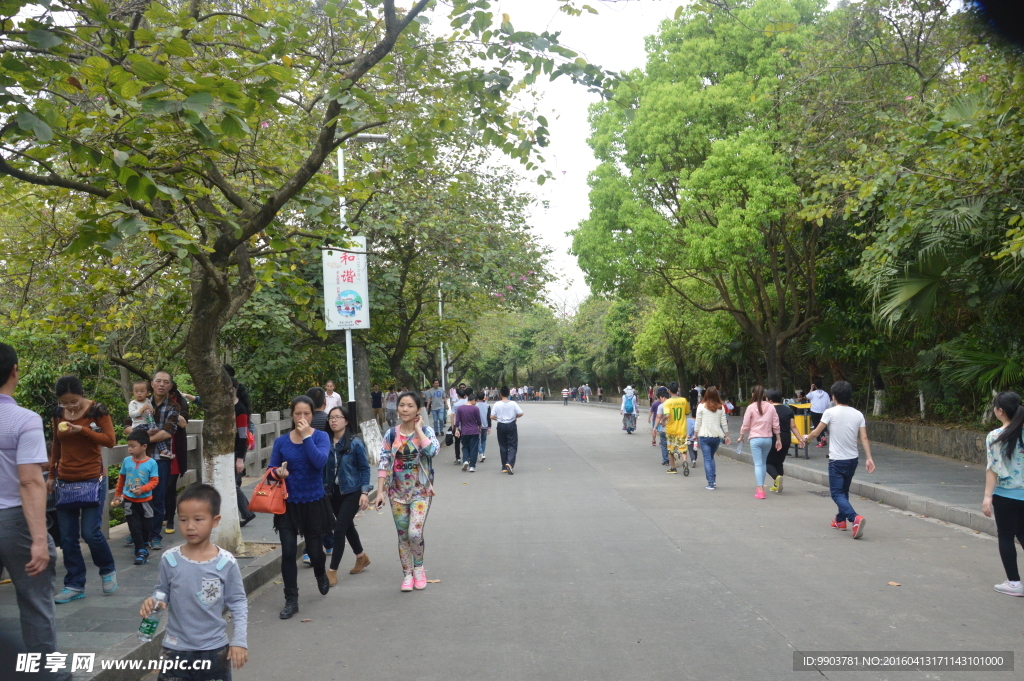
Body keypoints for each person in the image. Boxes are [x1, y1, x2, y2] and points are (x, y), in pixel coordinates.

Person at [0, 344, 69, 680]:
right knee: (34, 601)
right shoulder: (23, 419)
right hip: (14, 520)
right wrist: (41, 540)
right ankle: (48, 676)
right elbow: (30, 482)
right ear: (15, 371)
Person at [140, 484, 248, 681]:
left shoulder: (225, 563)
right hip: (175, 650)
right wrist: (154, 601)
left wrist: (239, 641)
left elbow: (238, 602)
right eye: (183, 520)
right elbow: (162, 591)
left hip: (215, 652)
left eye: (198, 519)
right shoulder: (170, 559)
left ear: (215, 521)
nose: (190, 526)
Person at [49, 375, 118, 603]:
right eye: (65, 403)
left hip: (92, 478)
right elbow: (56, 444)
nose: (70, 406)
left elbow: (110, 440)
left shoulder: (97, 410)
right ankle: (74, 584)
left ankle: (107, 569)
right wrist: (51, 475)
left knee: (90, 532)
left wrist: (82, 430)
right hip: (65, 479)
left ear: (82, 394)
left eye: (74, 401)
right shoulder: (57, 413)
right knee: (67, 537)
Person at [267, 396, 334, 618]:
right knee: (288, 552)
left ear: (312, 416)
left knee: (315, 552)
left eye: (306, 413)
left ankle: (320, 573)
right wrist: (277, 473)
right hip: (287, 503)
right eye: (298, 413)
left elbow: (319, 462)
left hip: (313, 501)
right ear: (292, 415)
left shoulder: (321, 437)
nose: (302, 418)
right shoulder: (282, 441)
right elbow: (271, 469)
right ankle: (291, 600)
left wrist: (307, 437)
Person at [374, 391, 439, 591]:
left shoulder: (426, 432)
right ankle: (407, 575)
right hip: (397, 494)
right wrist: (379, 492)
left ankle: (419, 569)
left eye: (410, 406)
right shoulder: (391, 434)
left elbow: (433, 451)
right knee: (403, 536)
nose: (404, 409)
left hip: (421, 493)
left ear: (417, 409)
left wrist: (418, 430)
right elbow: (384, 462)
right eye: (402, 405)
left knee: (414, 533)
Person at [800, 381, 875, 538]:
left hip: (837, 460)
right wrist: (869, 458)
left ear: (833, 397)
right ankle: (840, 520)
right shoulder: (858, 414)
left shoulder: (830, 412)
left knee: (836, 493)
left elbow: (817, 433)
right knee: (843, 491)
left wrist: (806, 437)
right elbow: (864, 437)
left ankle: (854, 518)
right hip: (852, 460)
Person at [323, 406, 371, 587]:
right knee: (347, 525)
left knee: (339, 529)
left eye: (337, 417)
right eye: (331, 418)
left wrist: (365, 492)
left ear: (346, 420)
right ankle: (361, 557)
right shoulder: (324, 442)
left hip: (352, 491)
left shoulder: (355, 443)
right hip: (332, 492)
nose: (333, 420)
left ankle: (332, 570)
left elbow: (365, 469)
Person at [982, 391, 1024, 596]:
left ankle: (1014, 583)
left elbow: (993, 469)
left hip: (1006, 496)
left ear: (1000, 411)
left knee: (1006, 537)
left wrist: (987, 497)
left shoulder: (995, 436)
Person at [113, 430, 159, 566]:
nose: (130, 449)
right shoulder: (127, 461)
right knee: (134, 526)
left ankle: (144, 543)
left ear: (144, 446)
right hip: (129, 500)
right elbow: (121, 478)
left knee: (147, 526)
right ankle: (140, 550)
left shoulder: (151, 463)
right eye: (129, 446)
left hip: (146, 501)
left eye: (133, 446)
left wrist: (143, 489)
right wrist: (118, 494)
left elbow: (154, 481)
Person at [144, 371, 179, 547]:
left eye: (166, 382)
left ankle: (155, 534)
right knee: (139, 497)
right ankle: (141, 532)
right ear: (152, 383)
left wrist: (142, 440)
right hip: (139, 459)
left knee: (158, 498)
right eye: (158, 381)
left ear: (170, 386)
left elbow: (168, 431)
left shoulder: (173, 407)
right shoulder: (140, 403)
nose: (162, 384)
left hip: (161, 458)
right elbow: (128, 426)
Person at [738, 385, 781, 500]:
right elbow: (776, 424)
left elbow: (745, 424)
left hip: (755, 439)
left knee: (758, 464)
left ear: (753, 394)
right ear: (764, 395)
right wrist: (778, 439)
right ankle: (761, 487)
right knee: (763, 462)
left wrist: (741, 436)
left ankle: (760, 489)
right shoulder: (771, 407)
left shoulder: (751, 407)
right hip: (768, 439)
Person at [163, 383, 191, 536]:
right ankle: (163, 515)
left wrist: (173, 409)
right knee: (157, 485)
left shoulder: (180, 401)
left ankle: (170, 519)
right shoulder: (151, 401)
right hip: (157, 448)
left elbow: (183, 423)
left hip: (174, 448)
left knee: (170, 486)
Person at [694, 387, 731, 490]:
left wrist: (695, 434)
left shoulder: (701, 406)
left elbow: (698, 422)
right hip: (716, 436)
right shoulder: (721, 407)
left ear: (705, 395)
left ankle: (710, 483)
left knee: (707, 459)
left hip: (704, 435)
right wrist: (726, 436)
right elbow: (724, 423)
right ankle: (713, 480)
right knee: (711, 457)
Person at [232, 379, 256, 529]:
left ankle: (247, 512)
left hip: (236, 451)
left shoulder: (240, 408)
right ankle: (245, 512)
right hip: (227, 451)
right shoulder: (225, 407)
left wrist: (240, 458)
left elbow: (242, 435)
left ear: (234, 389)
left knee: (233, 485)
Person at [766, 389, 797, 493]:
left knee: (767, 462)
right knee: (779, 462)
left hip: (773, 438)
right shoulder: (788, 410)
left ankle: (776, 477)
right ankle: (777, 485)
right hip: (786, 438)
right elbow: (793, 426)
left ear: (769, 400)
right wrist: (800, 438)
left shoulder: (769, 410)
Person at [490, 386, 524, 475]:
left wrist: (499, 419)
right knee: (512, 445)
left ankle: (504, 466)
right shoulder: (513, 403)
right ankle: (510, 462)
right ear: (509, 394)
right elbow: (521, 413)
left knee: (503, 445)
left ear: (500, 394)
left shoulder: (497, 404)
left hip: (501, 425)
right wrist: (514, 417)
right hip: (511, 425)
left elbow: (492, 416)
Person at [660, 382, 690, 475]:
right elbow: (687, 412)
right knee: (683, 449)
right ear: (678, 389)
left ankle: (673, 468)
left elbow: (667, 415)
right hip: (681, 429)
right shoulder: (684, 400)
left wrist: (662, 420)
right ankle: (685, 461)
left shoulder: (667, 402)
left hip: (671, 430)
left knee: (671, 450)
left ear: (668, 390)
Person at [455, 391, 482, 472]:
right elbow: (479, 420)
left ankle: (466, 460)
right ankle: (472, 466)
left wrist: (457, 430)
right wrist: (479, 427)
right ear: (473, 400)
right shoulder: (475, 408)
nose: (476, 403)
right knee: (474, 448)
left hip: (465, 431)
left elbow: (457, 421)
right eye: (475, 401)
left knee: (465, 446)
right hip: (474, 431)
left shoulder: (460, 408)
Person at [807, 383, 831, 447]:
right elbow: (828, 403)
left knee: (816, 426)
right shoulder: (826, 394)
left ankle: (819, 441)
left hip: (814, 411)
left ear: (815, 386)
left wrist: (811, 388)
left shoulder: (813, 393)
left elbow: (807, 396)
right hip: (823, 412)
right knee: (822, 426)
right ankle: (823, 437)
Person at [653, 388, 670, 466]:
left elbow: (658, 417)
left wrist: (655, 428)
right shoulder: (673, 404)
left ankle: (666, 460)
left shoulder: (661, 406)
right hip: (674, 428)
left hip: (664, 429)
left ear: (663, 398)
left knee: (664, 445)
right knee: (673, 444)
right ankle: (676, 457)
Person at [475, 390, 492, 464]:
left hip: (476, 425)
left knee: (477, 440)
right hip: (485, 425)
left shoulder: (475, 406)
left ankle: (481, 453)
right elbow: (489, 417)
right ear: (484, 397)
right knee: (483, 440)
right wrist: (489, 427)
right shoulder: (487, 406)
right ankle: (482, 453)